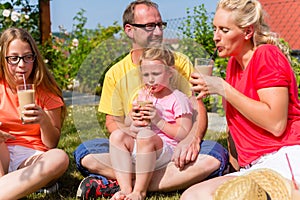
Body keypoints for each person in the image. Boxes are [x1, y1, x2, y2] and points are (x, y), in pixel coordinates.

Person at [74, 0, 228, 199]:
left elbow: (196, 108)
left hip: (169, 148)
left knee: (214, 154)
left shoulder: (177, 63)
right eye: (149, 26)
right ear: (129, 30)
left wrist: (192, 140)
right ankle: (157, 182)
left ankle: (120, 184)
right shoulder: (115, 73)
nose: (157, 32)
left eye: (159, 25)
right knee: (86, 151)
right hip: (136, 147)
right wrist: (130, 126)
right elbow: (112, 121)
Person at [180, 0, 300, 199]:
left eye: (224, 30)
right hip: (255, 166)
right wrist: (234, 168)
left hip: (282, 156)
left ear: (247, 32)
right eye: (215, 29)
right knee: (192, 196)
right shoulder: (233, 65)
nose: (215, 37)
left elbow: (276, 124)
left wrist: (223, 88)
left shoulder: (266, 55)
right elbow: (237, 130)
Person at [110, 46, 194, 200]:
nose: (150, 79)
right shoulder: (143, 94)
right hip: (143, 147)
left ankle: (139, 192)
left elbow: (184, 133)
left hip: (167, 151)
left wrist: (158, 121)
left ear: (170, 72)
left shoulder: (178, 98)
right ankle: (126, 189)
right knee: (117, 135)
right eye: (146, 74)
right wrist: (132, 116)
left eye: (156, 73)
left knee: (145, 136)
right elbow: (129, 123)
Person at [0, 27, 69, 199]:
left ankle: (7, 186)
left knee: (59, 158)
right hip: (2, 152)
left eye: (27, 57)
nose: (22, 65)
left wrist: (44, 120)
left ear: (34, 58)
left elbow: (51, 143)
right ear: (3, 59)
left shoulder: (46, 90)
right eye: (14, 59)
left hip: (31, 157)